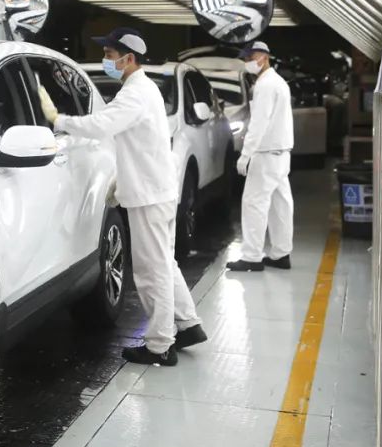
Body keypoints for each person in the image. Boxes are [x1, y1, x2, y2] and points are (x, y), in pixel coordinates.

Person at [38, 28, 206, 366]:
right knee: (164, 263)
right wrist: (120, 180)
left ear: (128, 58)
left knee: (150, 271)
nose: (106, 59)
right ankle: (188, 325)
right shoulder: (143, 89)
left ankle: (160, 346)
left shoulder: (135, 94)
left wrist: (60, 120)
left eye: (109, 55)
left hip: (149, 196)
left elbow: (102, 125)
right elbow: (141, 144)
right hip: (155, 190)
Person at [227, 41, 294, 272]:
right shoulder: (279, 82)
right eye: (246, 59)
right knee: (280, 205)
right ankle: (281, 254)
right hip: (282, 154)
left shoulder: (265, 85)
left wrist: (245, 154)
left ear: (264, 57)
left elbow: (258, 123)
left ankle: (252, 257)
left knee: (254, 203)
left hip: (266, 155)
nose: (248, 62)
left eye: (251, 58)